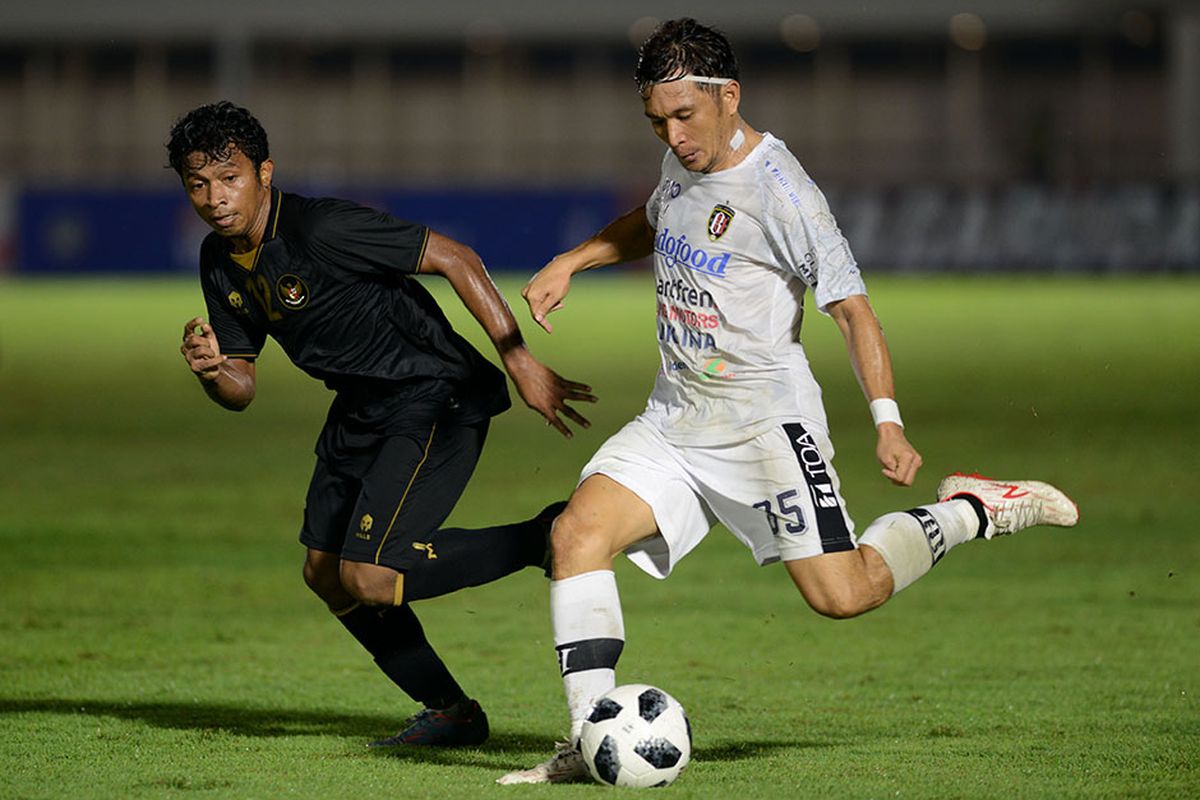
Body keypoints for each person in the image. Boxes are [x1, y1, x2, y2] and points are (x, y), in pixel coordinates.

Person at [498, 18, 1079, 784]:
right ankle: (588, 740)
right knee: (577, 537)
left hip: (765, 428)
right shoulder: (682, 164)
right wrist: (575, 259)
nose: (672, 135)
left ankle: (973, 509)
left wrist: (888, 422)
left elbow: (853, 311)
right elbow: (654, 219)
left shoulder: (785, 194)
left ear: (729, 97)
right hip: (674, 421)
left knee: (843, 594)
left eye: (684, 116)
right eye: (657, 121)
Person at [170, 101, 595, 747]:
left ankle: (546, 538)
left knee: (369, 574)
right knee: (323, 572)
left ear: (264, 172)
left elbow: (457, 257)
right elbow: (243, 387)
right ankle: (453, 712)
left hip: (434, 395)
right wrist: (212, 370)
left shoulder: (322, 229)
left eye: (229, 178)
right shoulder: (219, 260)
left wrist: (520, 361)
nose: (215, 197)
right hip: (362, 407)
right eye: (198, 184)